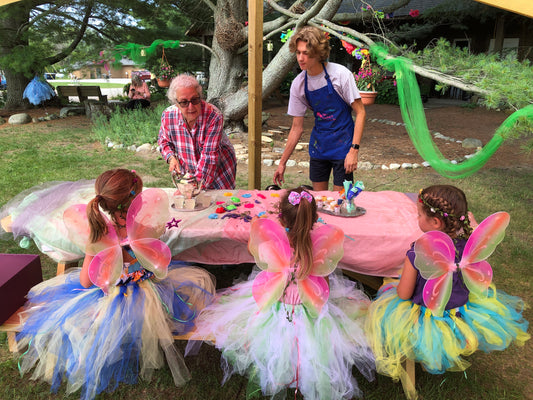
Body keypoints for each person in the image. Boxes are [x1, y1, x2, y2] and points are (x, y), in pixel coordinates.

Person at [14, 169, 216, 400]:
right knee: (173, 299)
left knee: (89, 321)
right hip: (147, 296)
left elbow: (85, 281)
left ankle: (109, 345)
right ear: (137, 202)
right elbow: (156, 271)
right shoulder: (146, 230)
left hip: (112, 295)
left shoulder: (98, 235)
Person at [186, 187, 375, 399]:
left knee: (267, 339)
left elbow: (255, 251)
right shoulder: (319, 247)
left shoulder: (273, 244)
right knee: (314, 346)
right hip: (309, 308)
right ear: (313, 219)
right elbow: (325, 286)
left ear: (282, 219)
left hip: (276, 306)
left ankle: (279, 373)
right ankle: (302, 373)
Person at [365, 185, 530, 397]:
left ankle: (425, 352)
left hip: (425, 317)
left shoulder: (417, 253)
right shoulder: (468, 246)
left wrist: (395, 285)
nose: (417, 218)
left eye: (419, 215)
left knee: (390, 292)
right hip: (460, 312)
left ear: (435, 222)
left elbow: (404, 294)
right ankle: (438, 353)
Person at [273, 26, 366, 192]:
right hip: (319, 147)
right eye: (298, 52)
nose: (300, 58)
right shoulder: (299, 84)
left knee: (340, 201)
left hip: (343, 146)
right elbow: (296, 128)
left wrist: (354, 150)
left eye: (306, 53)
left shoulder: (340, 74)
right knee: (319, 199)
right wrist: (282, 163)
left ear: (318, 53)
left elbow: (361, 112)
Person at [158, 74, 236, 190]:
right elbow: (164, 141)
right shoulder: (168, 116)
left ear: (200, 97)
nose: (191, 107)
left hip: (220, 171)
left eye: (195, 100)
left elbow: (209, 158)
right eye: (184, 102)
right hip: (189, 173)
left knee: (219, 201)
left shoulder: (213, 116)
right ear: (176, 103)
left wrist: (193, 188)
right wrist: (171, 157)